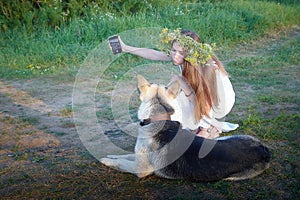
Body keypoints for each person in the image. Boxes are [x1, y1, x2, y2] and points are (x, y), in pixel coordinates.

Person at [110, 28, 238, 139]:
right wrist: (125, 48)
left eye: (181, 53)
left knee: (177, 85)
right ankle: (185, 120)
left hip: (219, 103)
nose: (175, 55)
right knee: (177, 85)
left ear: (191, 53)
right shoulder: (182, 56)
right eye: (173, 50)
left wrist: (203, 130)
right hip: (203, 99)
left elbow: (205, 100)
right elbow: (154, 54)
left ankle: (207, 127)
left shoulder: (204, 68)